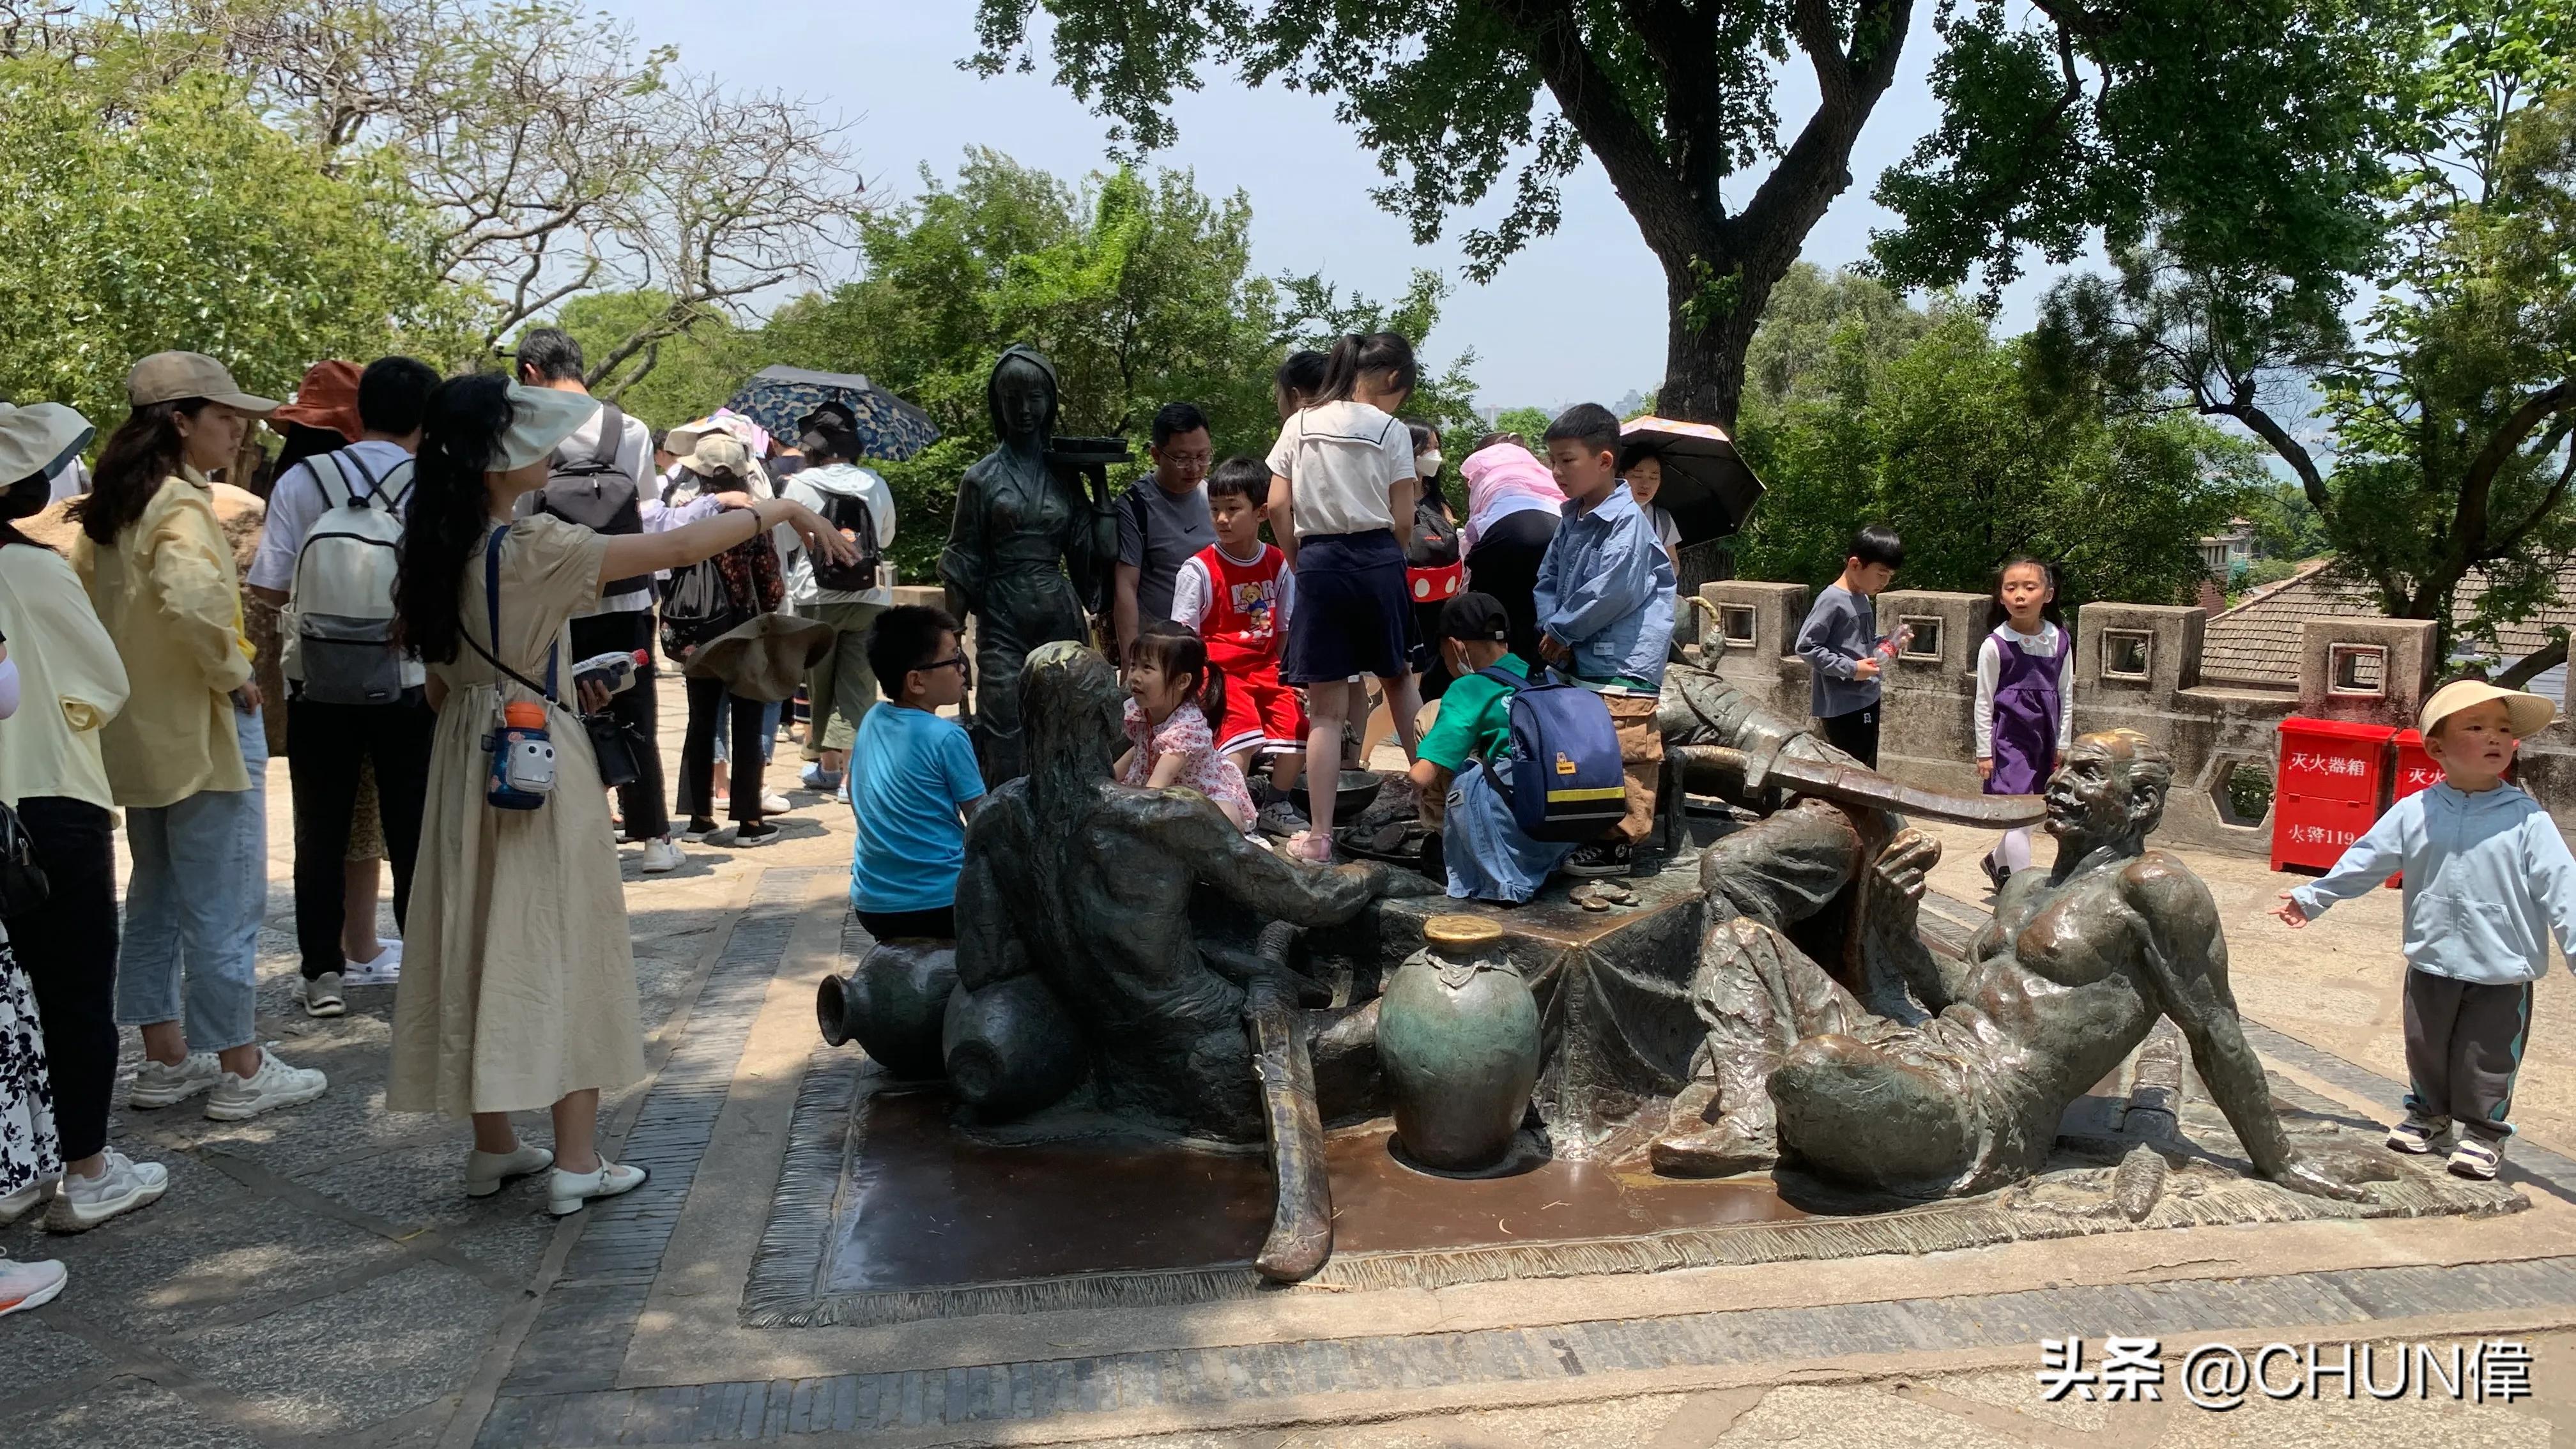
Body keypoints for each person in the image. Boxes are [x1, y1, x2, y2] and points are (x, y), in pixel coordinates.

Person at [388, 374, 851, 1213]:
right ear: (495, 459)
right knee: (566, 944)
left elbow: (439, 689)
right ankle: (576, 1160)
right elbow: (676, 552)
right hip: (536, 760)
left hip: (466, 757)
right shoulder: (533, 550)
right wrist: (780, 509)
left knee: (484, 936)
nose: (546, 451)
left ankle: (495, 1147)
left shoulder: (436, 548)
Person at [71, 353, 325, 1124]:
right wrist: (231, 670)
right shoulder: (179, 506)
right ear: (179, 421)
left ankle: (164, 1059)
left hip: (137, 734)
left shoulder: (109, 511)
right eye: (223, 416)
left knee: (153, 897)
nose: (238, 429)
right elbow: (189, 600)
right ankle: (242, 1068)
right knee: (224, 902)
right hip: (205, 730)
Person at [2272, 679, 2576, 1181]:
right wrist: (2313, 897)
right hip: (2431, 958)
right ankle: (2430, 1117)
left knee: (2488, 1057)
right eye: (2475, 727)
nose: (2494, 738)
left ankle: (2482, 1134)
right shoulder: (2417, 810)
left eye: (2502, 729)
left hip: (2502, 970)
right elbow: (2366, 860)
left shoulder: (2527, 821)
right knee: (2426, 1046)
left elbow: (2563, 889)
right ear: (2437, 747)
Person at [0, 402, 160, 1233]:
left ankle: (19, 1165)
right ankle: (88, 1169)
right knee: (74, 989)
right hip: (52, 798)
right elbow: (101, 684)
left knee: (10, 997)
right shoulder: (36, 571)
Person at [246, 356, 441, 1017]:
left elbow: (268, 587)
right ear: (425, 416)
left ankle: (321, 975)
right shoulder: (436, 483)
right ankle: (426, 968)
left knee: (320, 827)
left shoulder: (304, 477)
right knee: (413, 824)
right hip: (408, 678)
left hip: (318, 682)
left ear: (361, 412)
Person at [514, 328, 678, 873]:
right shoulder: (627, 427)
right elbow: (647, 505)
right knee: (635, 713)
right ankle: (654, 836)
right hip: (626, 594)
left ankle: (575, 827)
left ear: (533, 373)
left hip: (557, 596)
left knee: (561, 709)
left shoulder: (527, 427)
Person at [1266, 332, 1427, 862]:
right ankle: (1437, 809)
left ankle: (1318, 836)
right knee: (1400, 682)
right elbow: (1404, 519)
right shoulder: (1392, 430)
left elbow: (1276, 507)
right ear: (1394, 381)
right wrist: (1385, 556)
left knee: (1327, 714)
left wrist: (1299, 558)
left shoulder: (1301, 423)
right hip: (1380, 560)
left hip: (1321, 564)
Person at [939, 346, 1114, 785]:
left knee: (1067, 722)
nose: (1024, 408)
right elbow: (963, 557)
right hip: (1001, 615)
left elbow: (1097, 553)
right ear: (997, 403)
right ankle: (1007, 828)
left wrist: (1099, 486)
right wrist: (950, 635)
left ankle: (1069, 820)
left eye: (1035, 396)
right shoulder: (982, 478)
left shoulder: (1064, 475)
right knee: (1003, 724)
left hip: (1057, 609)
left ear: (1050, 402)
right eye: (1012, 396)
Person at [1533, 403, 1676, 878]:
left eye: (1567, 460)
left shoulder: (1627, 523)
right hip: (1576, 655)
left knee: (1627, 747)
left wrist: (1562, 630)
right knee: (1585, 747)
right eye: (1552, 460)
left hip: (1623, 663)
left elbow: (1614, 590)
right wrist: (1553, 627)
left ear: (1605, 461)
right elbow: (1548, 577)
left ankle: (1619, 843)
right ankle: (1584, 829)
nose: (1557, 472)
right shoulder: (1572, 516)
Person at [1406, 592, 1574, 903]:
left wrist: (1412, 789)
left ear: (1456, 647)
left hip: (1510, 829)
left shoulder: (1468, 688)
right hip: (1561, 830)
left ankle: (1447, 836)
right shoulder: (1539, 677)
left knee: (1429, 716)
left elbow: (1423, 775)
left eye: (1444, 655)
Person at [666, 434, 785, 846]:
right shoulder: (753, 516)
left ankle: (700, 818)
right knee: (748, 721)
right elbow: (771, 585)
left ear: (698, 472)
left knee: (701, 721)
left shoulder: (686, 515)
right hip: (743, 630)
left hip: (697, 632)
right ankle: (750, 823)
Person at [1170, 457, 1304, 809]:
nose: (1222, 519)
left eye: (1233, 509)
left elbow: (1283, 629)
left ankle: (1277, 804)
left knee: (1299, 725)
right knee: (1240, 730)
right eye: (1215, 509)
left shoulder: (1279, 563)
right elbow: (1183, 639)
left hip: (1266, 667)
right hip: (1216, 670)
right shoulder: (1198, 570)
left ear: (1262, 513)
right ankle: (1232, 809)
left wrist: (1288, 678)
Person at [847, 605, 985, 941]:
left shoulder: (872, 720)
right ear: (916, 681)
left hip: (872, 904)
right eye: (953, 659)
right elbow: (984, 822)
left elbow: (854, 791)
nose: (963, 668)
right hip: (939, 904)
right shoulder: (948, 737)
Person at [779, 406, 897, 795]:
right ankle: (848, 775)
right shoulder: (875, 483)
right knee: (859, 684)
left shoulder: (799, 486)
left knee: (819, 681)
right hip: (869, 594)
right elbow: (887, 537)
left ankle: (829, 767)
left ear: (814, 447)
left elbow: (786, 544)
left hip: (816, 595)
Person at [1974, 556, 2072, 891]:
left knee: (2033, 818)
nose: (2019, 595)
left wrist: (2064, 743)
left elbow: (2066, 694)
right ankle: (2024, 895)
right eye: (2010, 588)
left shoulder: (2059, 640)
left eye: (2029, 587)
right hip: (2009, 741)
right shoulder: (1995, 645)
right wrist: (1983, 752)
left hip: (2045, 738)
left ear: (2048, 595)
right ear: (2001, 598)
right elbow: (1984, 701)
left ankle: (1996, 861)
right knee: (2019, 818)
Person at [1119, 621, 1255, 832]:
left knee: (1224, 816)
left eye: (1147, 668)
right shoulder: (1143, 712)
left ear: (1182, 681)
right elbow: (1139, 749)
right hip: (1164, 792)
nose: (1135, 676)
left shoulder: (1186, 728)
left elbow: (1156, 787)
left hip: (1194, 795)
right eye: (1134, 665)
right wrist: (1105, 777)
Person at [1795, 524, 1905, 768]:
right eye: (1881, 574)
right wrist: (1852, 669)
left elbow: (1861, 646)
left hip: (1868, 697)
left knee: (1866, 767)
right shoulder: (1832, 599)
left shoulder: (1862, 597)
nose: (1885, 582)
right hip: (1844, 706)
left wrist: (1890, 643)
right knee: (1852, 771)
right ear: (1855, 564)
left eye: (1890, 577)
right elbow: (1806, 647)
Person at [1113, 402, 1216, 660]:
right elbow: (1126, 585)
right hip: (1162, 648)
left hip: (1216, 639)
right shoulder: (1136, 506)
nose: (1194, 468)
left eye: (1203, 456)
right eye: (1182, 459)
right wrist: (1130, 660)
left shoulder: (1217, 497)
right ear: (1156, 455)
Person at [1457, 434, 1566, 663]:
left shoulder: (1483, 471)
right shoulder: (1538, 470)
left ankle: (1492, 678)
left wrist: (1464, 595)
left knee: (1487, 616)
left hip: (1504, 530)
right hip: (1557, 528)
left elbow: (1473, 537)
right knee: (1537, 612)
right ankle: (1539, 679)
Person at [1403, 422, 1463, 699]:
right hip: (1407, 602)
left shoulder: (1438, 502)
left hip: (1442, 603)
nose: (1435, 455)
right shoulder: (1392, 499)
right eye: (1429, 448)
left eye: (1437, 448)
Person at [1620, 450, 1682, 567]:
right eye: (1637, 475)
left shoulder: (1663, 519)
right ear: (1621, 476)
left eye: (1653, 478)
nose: (1645, 485)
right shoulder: (1603, 513)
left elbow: (1674, 562)